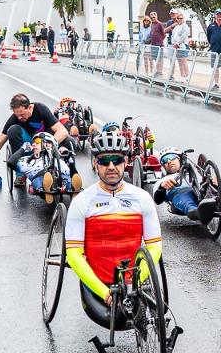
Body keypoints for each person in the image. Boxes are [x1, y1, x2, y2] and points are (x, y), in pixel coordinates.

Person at [64, 130, 162, 310]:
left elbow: (155, 247)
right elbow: (73, 255)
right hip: (99, 284)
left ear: (125, 163)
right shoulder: (81, 202)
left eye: (116, 160)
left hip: (134, 280)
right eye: (103, 160)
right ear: (95, 163)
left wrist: (135, 283)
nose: (111, 166)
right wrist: (104, 292)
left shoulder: (142, 198)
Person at [0, 92, 73, 182]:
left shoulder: (41, 109)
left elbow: (63, 131)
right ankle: (20, 175)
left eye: (22, 114)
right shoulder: (15, 118)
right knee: (12, 130)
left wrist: (45, 145)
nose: (19, 118)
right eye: (17, 115)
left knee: (70, 141)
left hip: (48, 144)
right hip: (30, 147)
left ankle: (69, 173)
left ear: (29, 107)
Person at [151, 149, 221, 222]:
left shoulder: (194, 172)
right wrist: (162, 187)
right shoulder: (163, 180)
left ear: (180, 159)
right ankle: (196, 212)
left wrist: (214, 183)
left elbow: (209, 186)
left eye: (171, 157)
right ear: (163, 166)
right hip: (179, 194)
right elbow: (157, 200)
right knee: (186, 200)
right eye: (165, 160)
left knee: (213, 197)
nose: (169, 162)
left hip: (199, 190)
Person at [168, 10, 192, 81]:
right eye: (178, 18)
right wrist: (173, 43)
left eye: (181, 18)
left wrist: (177, 43)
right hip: (176, 46)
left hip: (183, 46)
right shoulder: (176, 27)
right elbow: (172, 35)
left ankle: (187, 76)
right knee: (179, 62)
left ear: (183, 19)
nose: (180, 19)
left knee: (184, 61)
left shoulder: (185, 26)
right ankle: (182, 77)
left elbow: (183, 36)